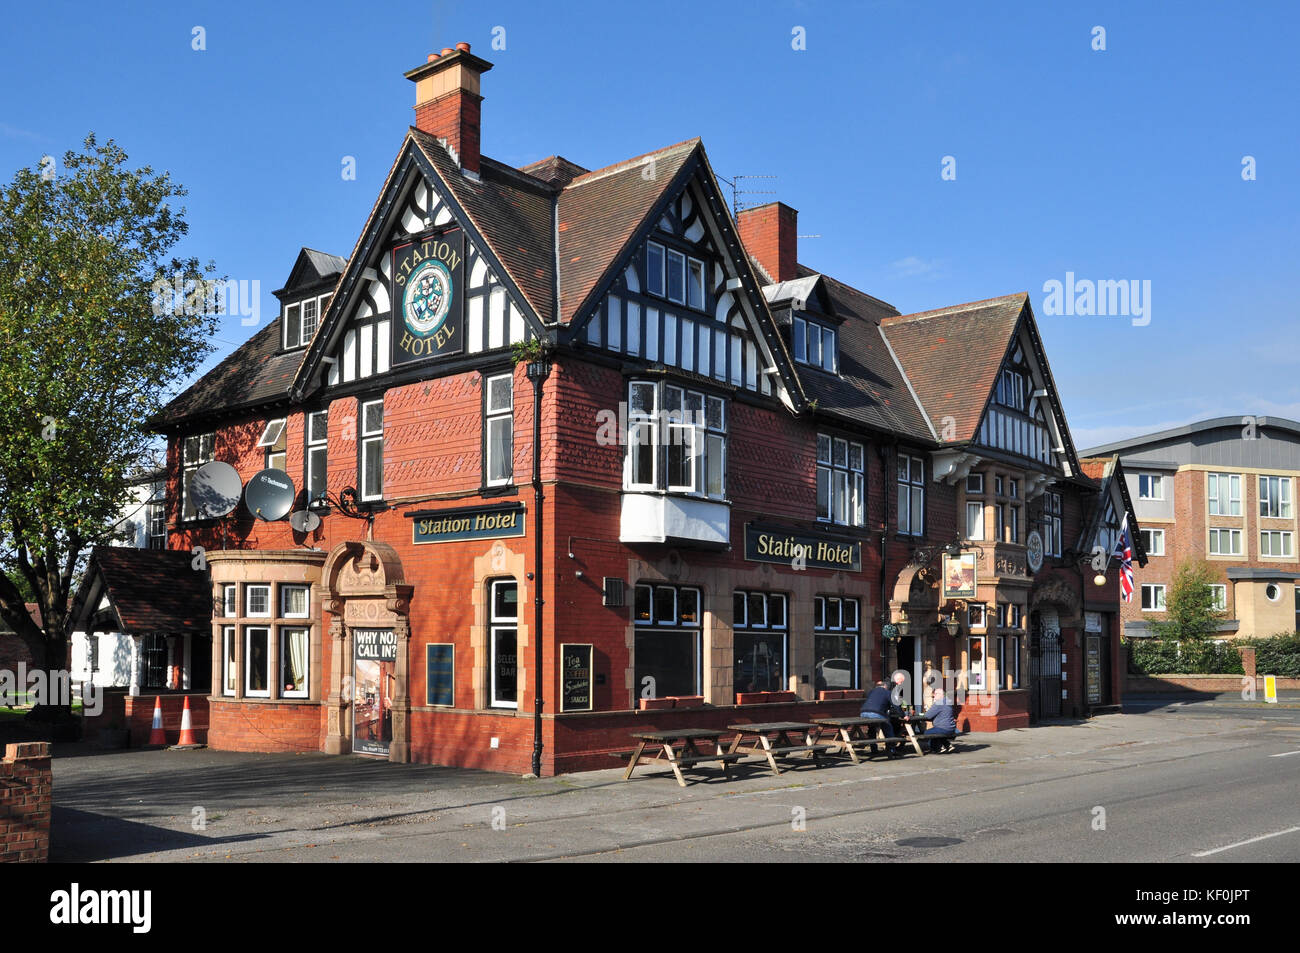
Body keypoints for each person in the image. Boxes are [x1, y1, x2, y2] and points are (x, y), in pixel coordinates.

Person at [860, 672, 906, 756]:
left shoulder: (872, 691)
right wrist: (903, 715)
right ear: (886, 687)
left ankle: (874, 749)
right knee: (888, 727)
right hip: (876, 713)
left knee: (872, 728)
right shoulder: (887, 692)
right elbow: (896, 705)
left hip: (863, 713)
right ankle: (892, 750)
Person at [908, 688, 958, 753]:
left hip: (943, 728)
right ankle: (947, 745)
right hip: (951, 728)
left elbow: (928, 716)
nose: (934, 695)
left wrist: (924, 713)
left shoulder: (939, 703)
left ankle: (938, 748)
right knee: (935, 732)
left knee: (927, 733)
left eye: (935, 694)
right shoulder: (947, 702)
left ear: (940, 695)